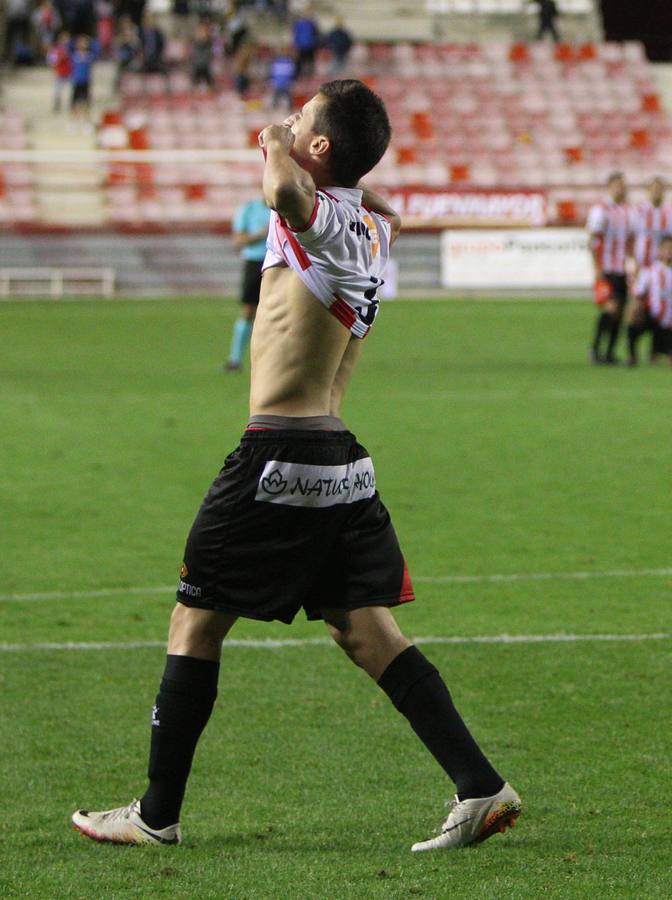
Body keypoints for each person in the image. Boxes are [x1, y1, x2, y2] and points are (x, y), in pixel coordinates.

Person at [71, 79, 521, 854]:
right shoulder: (370, 226)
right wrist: (320, 158)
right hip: (338, 457)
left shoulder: (319, 211)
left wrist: (274, 144)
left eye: (303, 115)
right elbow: (380, 209)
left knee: (194, 619)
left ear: (318, 149)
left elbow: (284, 188)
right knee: (366, 630)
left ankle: (156, 814)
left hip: (280, 451)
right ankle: (480, 786)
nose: (289, 117)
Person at [627, 176, 672, 367]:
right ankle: (631, 353)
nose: (657, 192)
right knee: (635, 310)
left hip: (664, 273)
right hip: (643, 270)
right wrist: (632, 264)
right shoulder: (638, 212)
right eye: (654, 188)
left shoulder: (670, 213)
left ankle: (658, 352)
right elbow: (630, 238)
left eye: (660, 188)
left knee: (664, 311)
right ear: (648, 191)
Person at [585, 171, 632, 365]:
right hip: (607, 268)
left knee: (620, 311)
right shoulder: (601, 210)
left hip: (622, 269)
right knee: (610, 308)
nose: (621, 189)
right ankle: (596, 348)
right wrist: (596, 267)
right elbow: (593, 239)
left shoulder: (628, 211)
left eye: (622, 185)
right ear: (610, 187)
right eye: (617, 185)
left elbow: (631, 240)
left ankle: (610, 353)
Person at [224, 193, 271, 372]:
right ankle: (235, 359)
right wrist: (262, 233)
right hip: (255, 262)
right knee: (249, 310)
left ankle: (271, 360)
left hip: (279, 263)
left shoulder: (284, 209)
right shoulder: (249, 209)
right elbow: (240, 240)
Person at [634, 235, 672, 367]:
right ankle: (633, 355)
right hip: (653, 317)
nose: (669, 252)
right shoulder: (650, 270)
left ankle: (659, 352)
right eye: (666, 248)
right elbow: (639, 293)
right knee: (633, 327)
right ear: (660, 250)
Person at [68, 33, 93, 123]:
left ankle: (86, 120)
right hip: (76, 82)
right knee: (74, 102)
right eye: (81, 42)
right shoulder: (74, 55)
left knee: (86, 102)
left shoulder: (89, 55)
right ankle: (74, 121)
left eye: (85, 42)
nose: (83, 44)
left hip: (86, 82)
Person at [291, 3, 318, 78]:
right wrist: (295, 45)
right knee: (299, 63)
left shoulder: (312, 23)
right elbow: (295, 34)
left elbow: (315, 34)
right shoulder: (299, 23)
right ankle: (298, 77)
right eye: (308, 12)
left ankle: (309, 78)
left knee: (310, 63)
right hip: (301, 46)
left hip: (310, 46)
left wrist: (314, 43)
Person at [48, 29, 70, 111]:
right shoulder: (55, 49)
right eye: (64, 39)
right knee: (57, 91)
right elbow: (52, 61)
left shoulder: (70, 49)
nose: (66, 40)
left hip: (68, 72)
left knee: (67, 91)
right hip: (60, 72)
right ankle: (57, 106)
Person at [190, 20, 213, 91]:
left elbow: (211, 54)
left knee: (209, 87)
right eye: (200, 31)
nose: (202, 34)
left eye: (204, 31)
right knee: (195, 87)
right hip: (196, 67)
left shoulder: (209, 43)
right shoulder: (194, 43)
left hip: (205, 67)